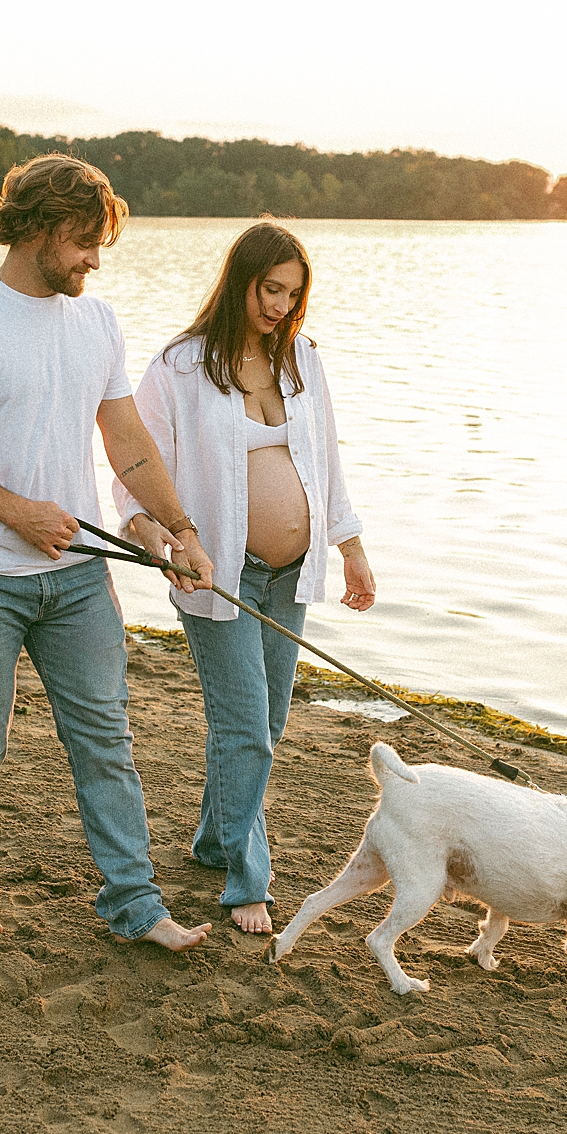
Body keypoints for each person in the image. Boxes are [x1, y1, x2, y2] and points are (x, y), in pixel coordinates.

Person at [0, 152, 216, 951]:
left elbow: (127, 439)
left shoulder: (96, 322)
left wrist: (180, 528)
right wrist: (17, 513)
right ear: (39, 227)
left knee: (106, 740)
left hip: (77, 579)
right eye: (83, 241)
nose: (94, 261)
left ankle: (135, 905)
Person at [113, 219, 376, 934]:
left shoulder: (302, 359)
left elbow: (327, 460)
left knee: (267, 723)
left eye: (293, 295)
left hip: (291, 574)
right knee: (244, 732)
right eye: (270, 290)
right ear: (240, 281)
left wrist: (350, 546)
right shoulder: (180, 366)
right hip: (218, 576)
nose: (281, 307)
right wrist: (155, 534)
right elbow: (135, 465)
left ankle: (212, 839)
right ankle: (245, 882)